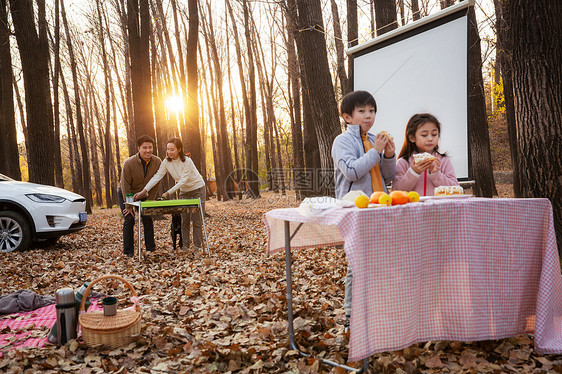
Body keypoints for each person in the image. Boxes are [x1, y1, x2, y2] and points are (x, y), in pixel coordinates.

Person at [331, 90, 396, 331]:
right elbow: (352, 171)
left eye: (372, 111)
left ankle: (379, 310)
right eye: (362, 111)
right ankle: (351, 315)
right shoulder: (342, 142)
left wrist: (388, 155)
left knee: (382, 261)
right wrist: (375, 151)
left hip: (381, 208)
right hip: (355, 209)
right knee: (357, 264)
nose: (368, 116)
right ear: (348, 117)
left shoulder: (375, 138)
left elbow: (388, 177)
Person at [134, 137, 206, 255]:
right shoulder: (166, 162)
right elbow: (157, 176)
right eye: (168, 149)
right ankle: (185, 247)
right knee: (184, 220)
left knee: (197, 219)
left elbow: (183, 180)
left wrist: (168, 192)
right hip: (183, 191)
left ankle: (197, 246)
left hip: (197, 188)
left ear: (179, 149)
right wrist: (144, 191)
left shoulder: (187, 161)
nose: (169, 152)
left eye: (172, 149)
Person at [392, 113, 459, 195]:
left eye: (434, 134)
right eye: (424, 135)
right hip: (413, 207)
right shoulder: (403, 162)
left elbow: (455, 188)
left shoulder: (444, 161)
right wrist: (413, 172)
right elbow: (396, 192)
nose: (430, 139)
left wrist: (436, 174)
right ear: (412, 137)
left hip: (438, 207)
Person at [118, 135, 162, 257]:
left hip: (144, 193)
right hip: (126, 193)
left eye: (150, 147)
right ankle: (128, 252)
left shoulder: (157, 162)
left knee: (147, 219)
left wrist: (149, 202)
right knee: (129, 219)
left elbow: (156, 183)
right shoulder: (129, 163)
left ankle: (150, 249)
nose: (148, 150)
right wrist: (129, 205)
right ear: (138, 148)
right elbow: (125, 184)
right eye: (144, 148)